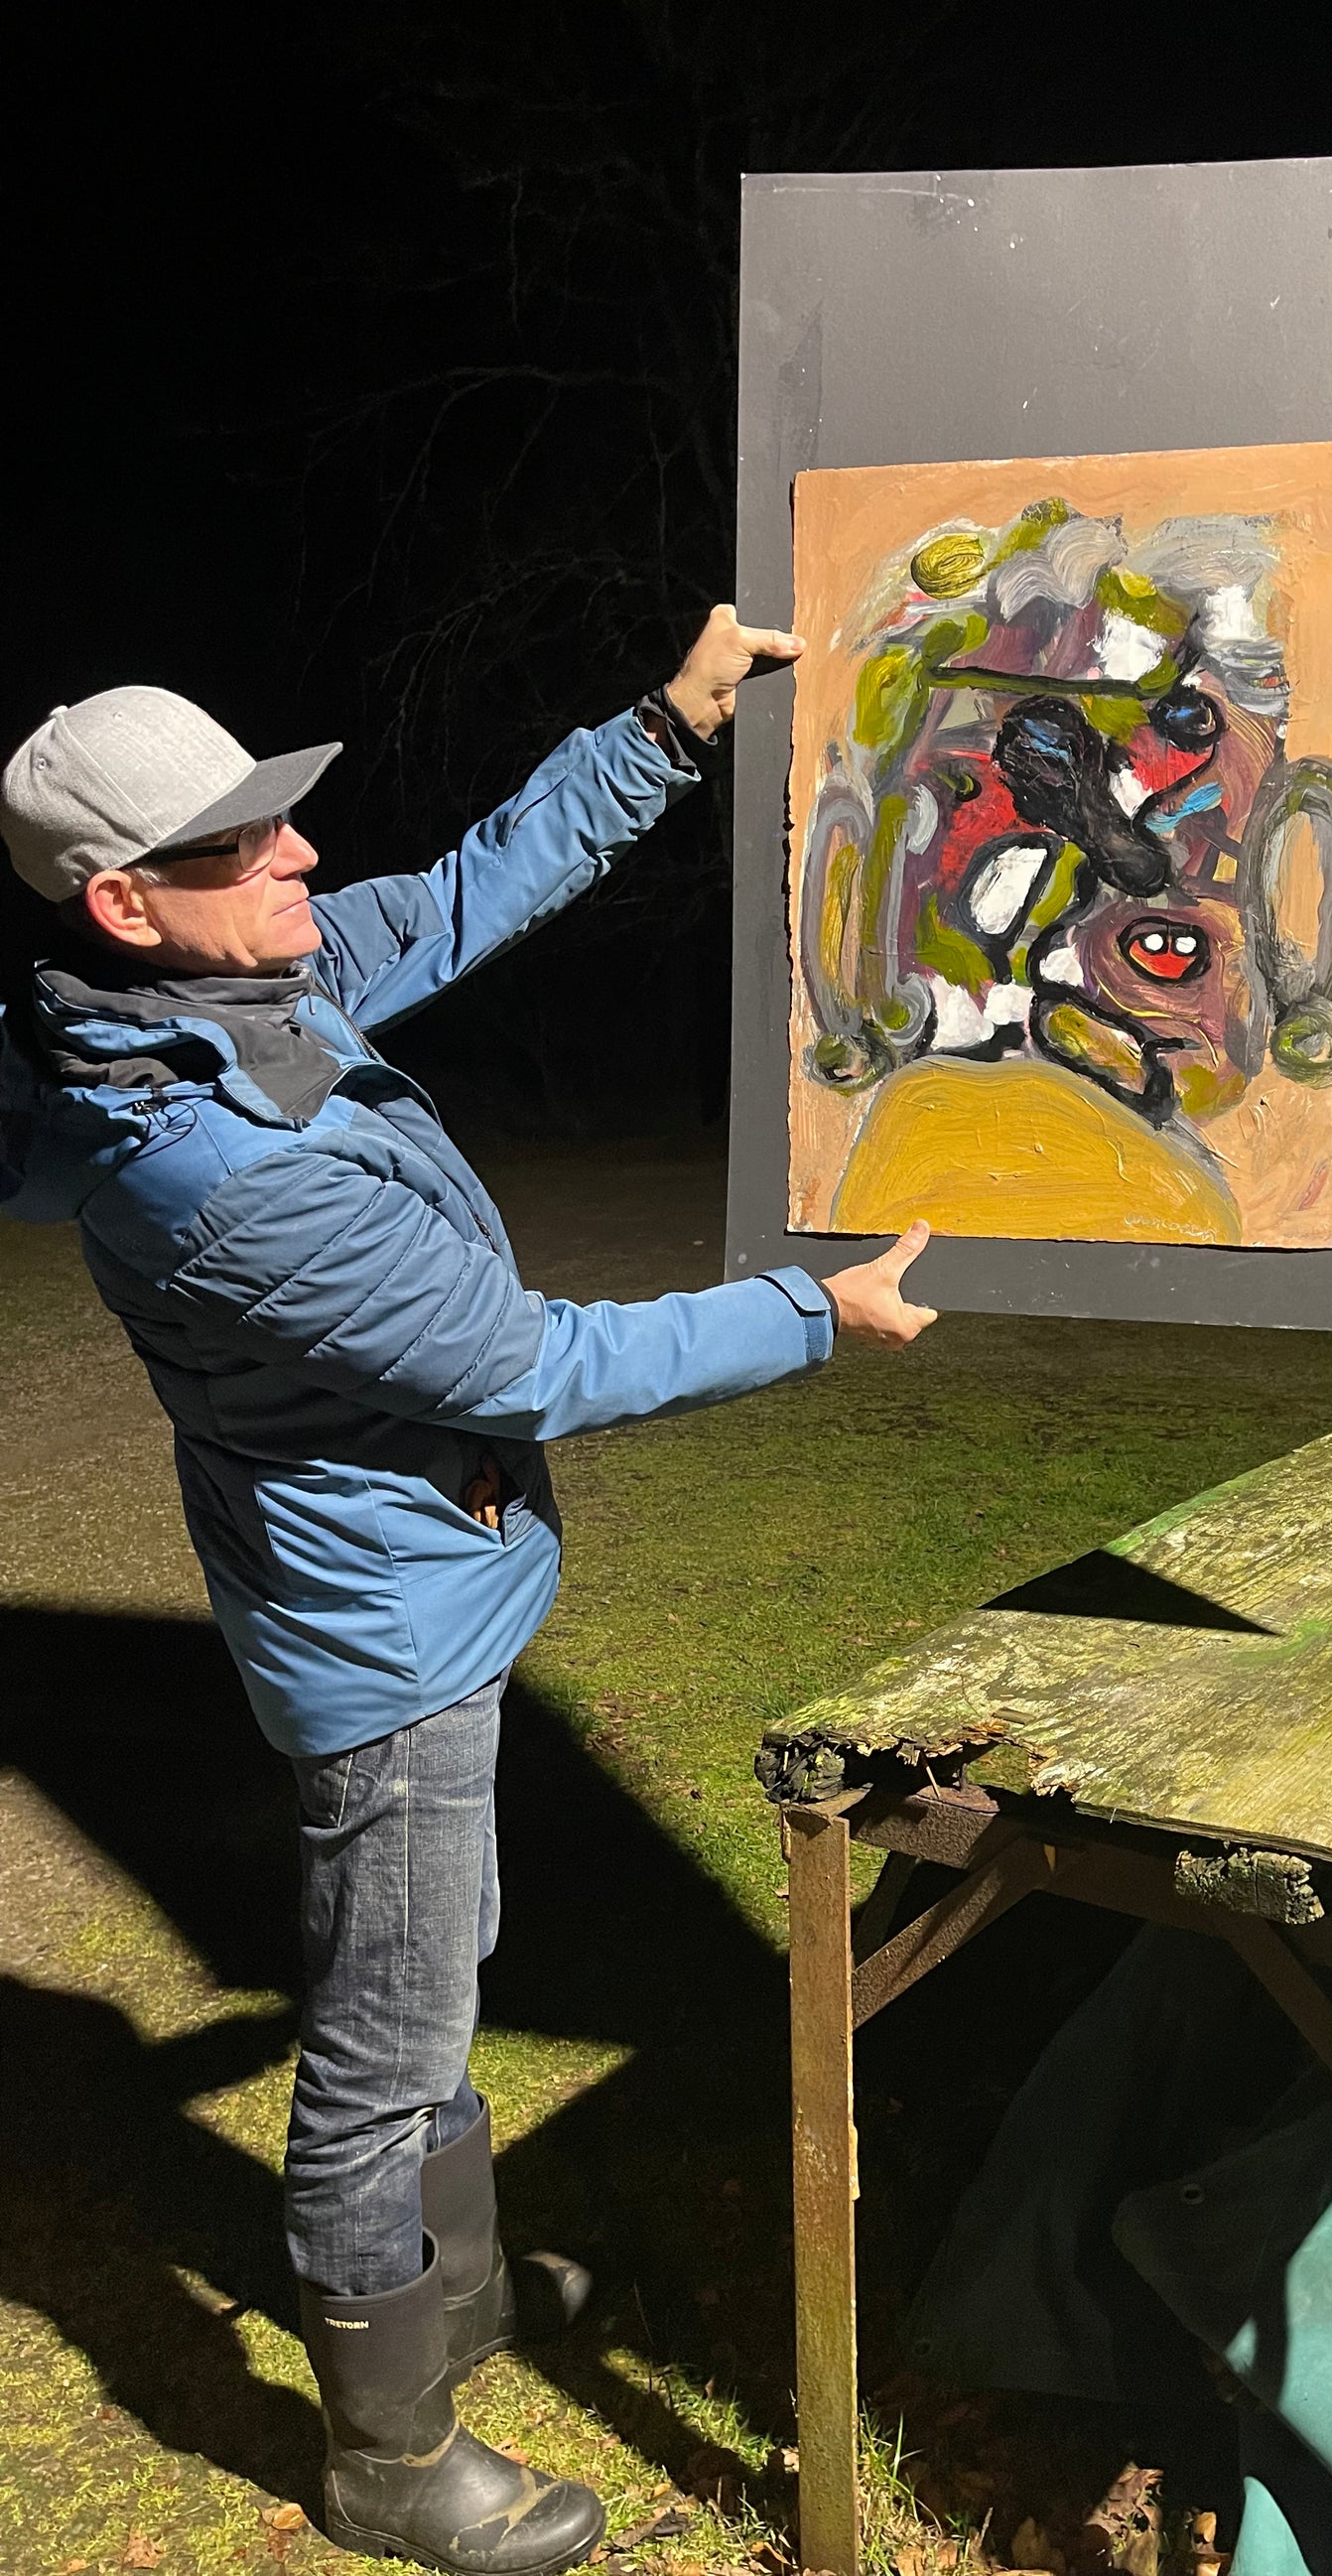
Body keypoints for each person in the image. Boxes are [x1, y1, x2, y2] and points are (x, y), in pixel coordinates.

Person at [0, 612, 938, 2576]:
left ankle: (466, 2298)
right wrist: (812, 1312)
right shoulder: (212, 1172)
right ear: (123, 904)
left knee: (440, 1962)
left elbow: (455, 894)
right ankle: (388, 2449)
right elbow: (528, 1364)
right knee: (386, 2036)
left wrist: (663, 728)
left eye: (276, 817)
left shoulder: (228, 993)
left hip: (420, 1582)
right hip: (384, 1642)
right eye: (240, 843)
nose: (301, 856)